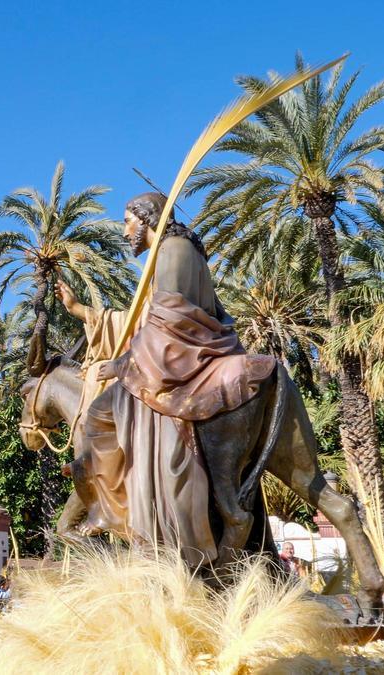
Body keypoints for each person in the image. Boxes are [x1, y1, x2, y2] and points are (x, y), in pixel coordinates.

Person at [60, 192, 275, 565]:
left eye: (128, 220)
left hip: (182, 360)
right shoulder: (171, 253)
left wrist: (122, 364)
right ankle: (115, 508)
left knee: (100, 417)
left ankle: (118, 511)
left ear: (148, 219)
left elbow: (170, 323)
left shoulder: (172, 250)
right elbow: (142, 320)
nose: (125, 230)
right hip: (170, 355)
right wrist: (80, 310)